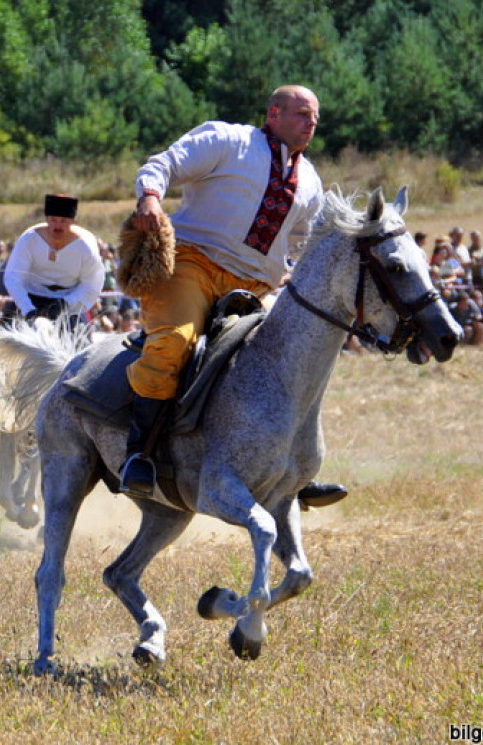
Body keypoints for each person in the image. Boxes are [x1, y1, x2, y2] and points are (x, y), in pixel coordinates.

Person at [121, 84, 342, 507]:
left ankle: (292, 472)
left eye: (314, 117)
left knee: (298, 362)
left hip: (257, 287)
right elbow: (164, 164)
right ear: (273, 114)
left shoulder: (311, 180)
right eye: (301, 113)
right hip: (192, 266)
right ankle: (138, 455)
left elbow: (301, 239)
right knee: (173, 344)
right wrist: (149, 197)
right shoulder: (229, 141)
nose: (310, 123)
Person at [3, 194, 104, 326]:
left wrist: (66, 304)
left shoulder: (86, 247)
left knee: (83, 345)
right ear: (47, 220)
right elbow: (13, 278)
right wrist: (28, 310)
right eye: (53, 220)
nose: (58, 226)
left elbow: (92, 284)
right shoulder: (29, 240)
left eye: (63, 221)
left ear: (73, 221)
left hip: (68, 304)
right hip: (29, 300)